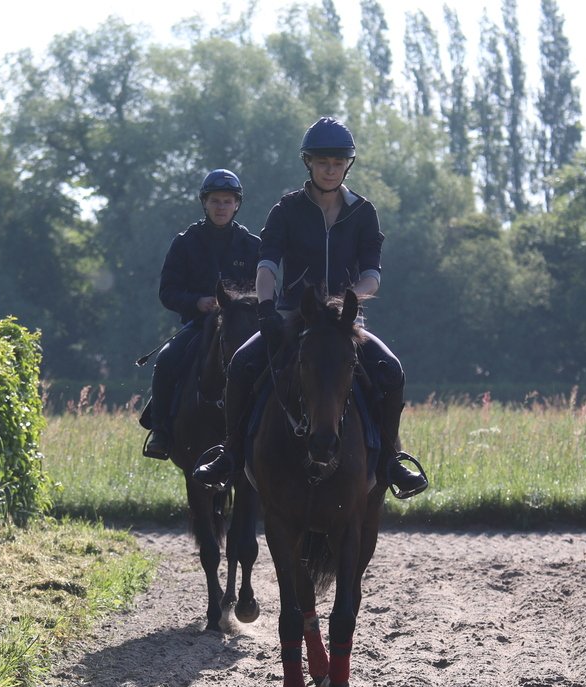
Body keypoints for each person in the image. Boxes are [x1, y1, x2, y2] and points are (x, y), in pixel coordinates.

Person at [193, 117, 428, 498]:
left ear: (347, 165)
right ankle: (231, 453)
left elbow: (372, 275)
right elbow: (267, 265)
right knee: (240, 364)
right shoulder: (287, 209)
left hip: (345, 323)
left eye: (337, 162)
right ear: (309, 163)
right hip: (292, 317)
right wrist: (266, 308)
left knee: (391, 370)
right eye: (322, 162)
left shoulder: (364, 212)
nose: (330, 169)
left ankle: (390, 460)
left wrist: (347, 301)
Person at [141, 168, 261, 459]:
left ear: (237, 204)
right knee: (166, 359)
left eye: (227, 201)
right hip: (199, 325)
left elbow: (266, 291)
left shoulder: (252, 245)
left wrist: (239, 306)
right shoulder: (185, 242)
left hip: (242, 329)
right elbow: (168, 292)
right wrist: (197, 302)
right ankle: (161, 431)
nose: (221, 207)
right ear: (204, 203)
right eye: (215, 201)